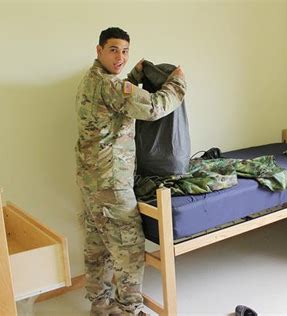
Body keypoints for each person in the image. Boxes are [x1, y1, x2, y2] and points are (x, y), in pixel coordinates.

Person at [75, 27, 186, 316]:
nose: (120, 56)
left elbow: (120, 99)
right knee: (129, 247)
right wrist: (177, 85)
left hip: (90, 181)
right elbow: (152, 107)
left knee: (97, 244)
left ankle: (100, 304)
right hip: (111, 182)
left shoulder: (91, 80)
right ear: (99, 51)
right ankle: (128, 309)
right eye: (113, 50)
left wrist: (134, 78)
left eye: (125, 51)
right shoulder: (110, 86)